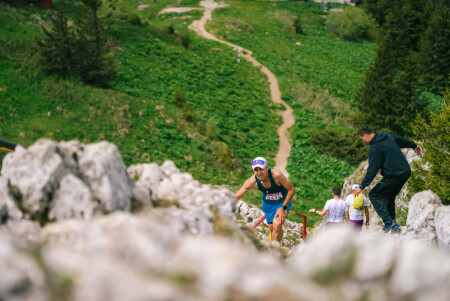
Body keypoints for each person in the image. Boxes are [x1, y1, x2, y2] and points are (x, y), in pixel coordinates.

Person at [353, 125, 423, 233]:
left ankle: (389, 223)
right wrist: (414, 146)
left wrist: (362, 186)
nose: (362, 141)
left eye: (361, 138)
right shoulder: (386, 136)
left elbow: (372, 170)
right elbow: (401, 141)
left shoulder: (375, 147)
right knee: (389, 195)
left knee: (374, 195)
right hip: (405, 171)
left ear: (365, 136)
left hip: (395, 175)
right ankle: (393, 222)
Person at [235, 157, 295, 242]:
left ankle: (274, 251)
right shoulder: (252, 181)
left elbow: (291, 190)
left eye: (261, 169)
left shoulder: (276, 175)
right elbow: (236, 196)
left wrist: (283, 208)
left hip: (282, 202)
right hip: (269, 204)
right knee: (272, 229)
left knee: (277, 225)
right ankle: (277, 246)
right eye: (256, 170)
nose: (259, 173)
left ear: (267, 168)